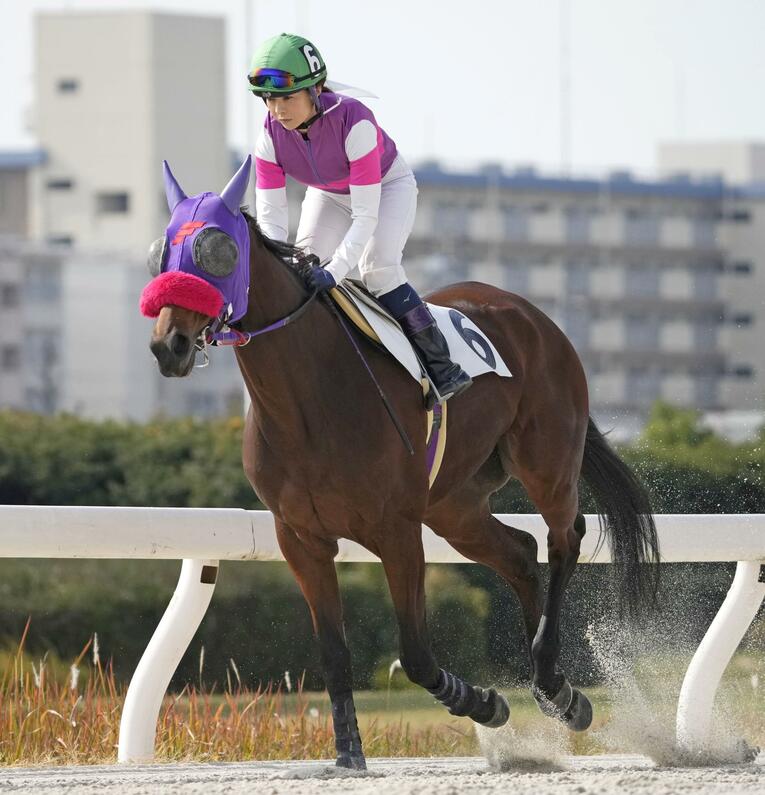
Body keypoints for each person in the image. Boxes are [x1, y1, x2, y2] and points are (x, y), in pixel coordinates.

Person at [249, 33, 471, 402]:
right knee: (301, 271)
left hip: (386, 188)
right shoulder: (269, 137)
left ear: (316, 89)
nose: (277, 110)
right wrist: (281, 264)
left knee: (378, 269)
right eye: (270, 99)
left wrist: (335, 271)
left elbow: (366, 216)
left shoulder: (355, 121)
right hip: (328, 195)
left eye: (287, 97)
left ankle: (441, 366)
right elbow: (271, 220)